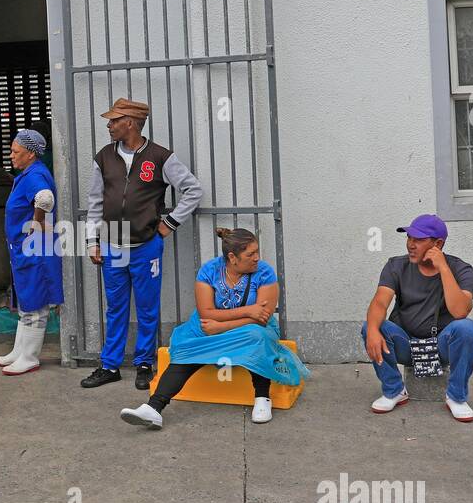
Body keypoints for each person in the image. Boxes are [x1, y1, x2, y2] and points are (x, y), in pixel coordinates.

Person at [121, 228, 307, 429]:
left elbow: (262, 317)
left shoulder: (264, 272)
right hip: (210, 324)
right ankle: (154, 408)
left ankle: (262, 398)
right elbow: (206, 313)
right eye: (250, 254)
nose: (257, 258)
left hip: (251, 327)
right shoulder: (209, 271)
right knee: (187, 343)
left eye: (257, 252)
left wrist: (222, 326)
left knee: (256, 337)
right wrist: (247, 311)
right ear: (232, 257)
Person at [82, 98, 203, 391]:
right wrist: (91, 240)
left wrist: (169, 224)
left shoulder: (161, 157)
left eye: (114, 121)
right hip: (111, 244)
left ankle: (144, 363)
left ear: (131, 123)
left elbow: (192, 190)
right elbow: (95, 201)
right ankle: (110, 365)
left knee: (148, 307)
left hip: (146, 245)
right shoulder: (103, 158)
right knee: (116, 307)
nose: (109, 126)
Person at [362, 214, 473, 422]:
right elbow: (380, 302)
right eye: (409, 238)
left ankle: (456, 397)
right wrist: (371, 330)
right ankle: (394, 391)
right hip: (405, 344)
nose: (410, 245)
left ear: (438, 244)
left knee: (467, 328)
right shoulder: (396, 266)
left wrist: (443, 268)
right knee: (372, 325)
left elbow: (460, 311)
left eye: (418, 240)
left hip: (443, 345)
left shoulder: (461, 269)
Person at [0, 128, 63, 375]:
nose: (11, 155)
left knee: (35, 304)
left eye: (16, 152)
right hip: (25, 250)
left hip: (36, 251)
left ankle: (30, 357)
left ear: (31, 154)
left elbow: (44, 199)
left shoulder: (35, 175)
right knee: (26, 301)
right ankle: (19, 351)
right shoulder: (28, 173)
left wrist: (36, 223)